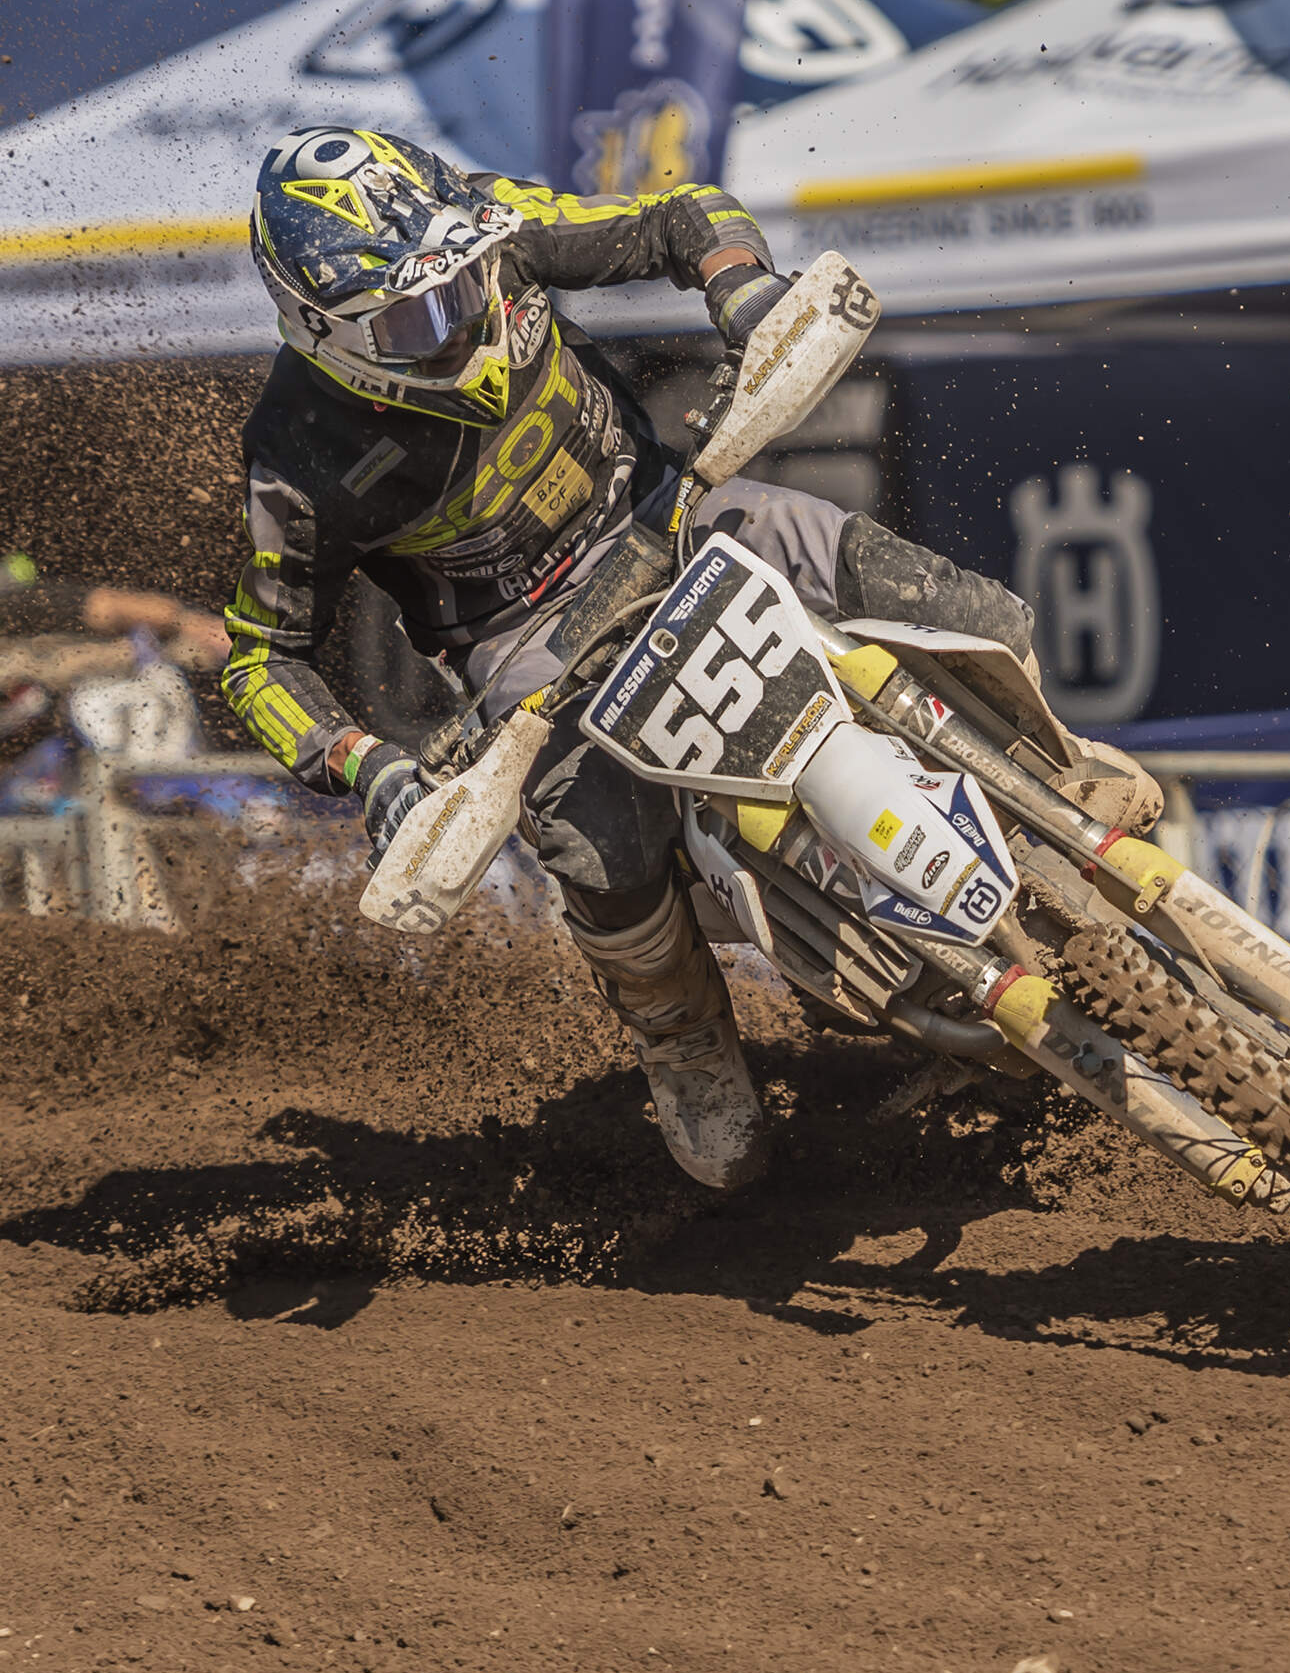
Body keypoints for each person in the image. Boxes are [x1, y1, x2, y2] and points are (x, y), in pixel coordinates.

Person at [224, 125, 1160, 1191]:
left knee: (963, 607)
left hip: (675, 511)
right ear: (325, 332)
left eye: (465, 281)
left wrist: (745, 292)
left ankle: (1051, 768)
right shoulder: (295, 457)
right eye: (416, 318)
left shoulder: (496, 224)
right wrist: (370, 767)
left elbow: (677, 215)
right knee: (596, 850)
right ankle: (680, 1034)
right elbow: (259, 659)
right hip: (527, 645)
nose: (462, 319)